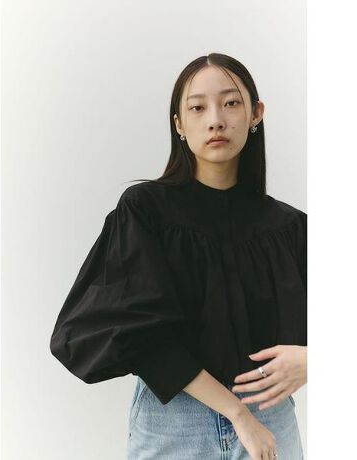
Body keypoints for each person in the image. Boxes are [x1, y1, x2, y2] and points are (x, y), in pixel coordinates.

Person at [49, 52, 307, 460]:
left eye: (231, 103)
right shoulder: (146, 211)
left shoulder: (289, 227)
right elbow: (136, 334)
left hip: (270, 419)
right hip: (175, 421)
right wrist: (237, 413)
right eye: (197, 108)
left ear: (256, 113)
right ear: (179, 125)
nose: (216, 120)